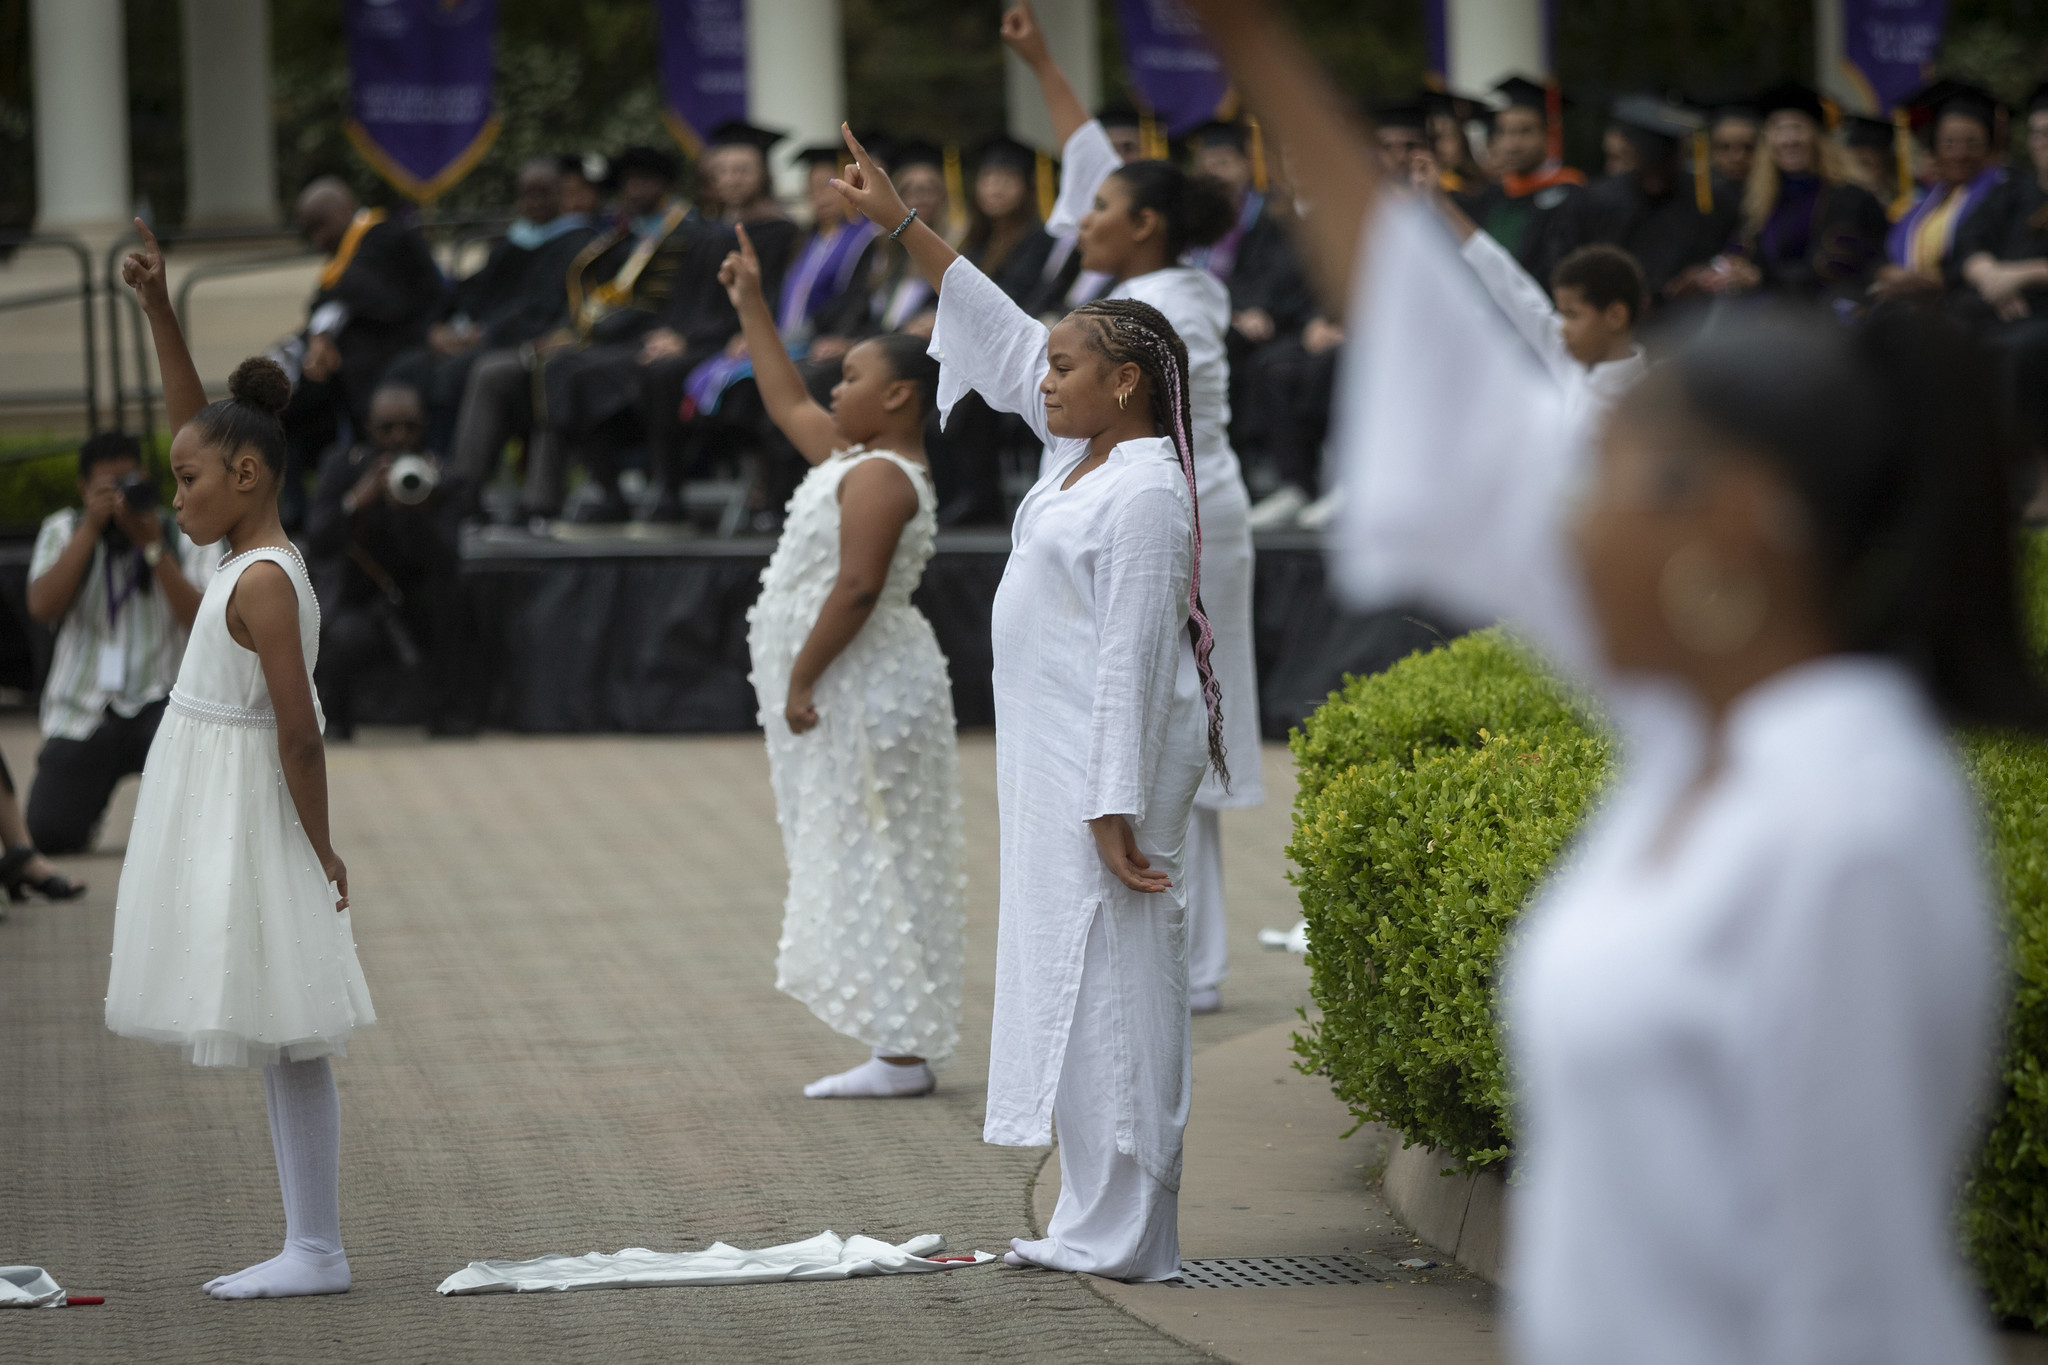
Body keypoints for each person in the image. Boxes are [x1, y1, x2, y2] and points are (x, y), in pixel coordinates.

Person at [1193, 5, 2038, 1361]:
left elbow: (1845, 1286)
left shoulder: (1852, 820)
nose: (1570, 521)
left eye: (1616, 483)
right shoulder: (1700, 729)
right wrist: (1258, 47)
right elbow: (1456, 387)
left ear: (1743, 531)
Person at [832, 121, 1225, 1281]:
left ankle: (1129, 1230)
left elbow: (1135, 660)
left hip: (1109, 763)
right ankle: (1086, 1220)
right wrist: (903, 227)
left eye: (1066, 368)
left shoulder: (1147, 490)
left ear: (1127, 382)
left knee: (1120, 988)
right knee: (1071, 978)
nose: (1040, 381)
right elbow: (1002, 336)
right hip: (1055, 756)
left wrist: (1111, 804)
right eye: (1048, 367)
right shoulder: (1079, 456)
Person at [106, 220, 373, 1299]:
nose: (176, 495)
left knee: (290, 1025)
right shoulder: (234, 544)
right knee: (274, 1023)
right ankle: (309, 1242)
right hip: (221, 798)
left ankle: (317, 1247)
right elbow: (196, 423)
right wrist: (157, 307)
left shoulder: (262, 577)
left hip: (256, 809)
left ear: (248, 475)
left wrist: (320, 850)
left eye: (188, 481)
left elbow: (300, 732)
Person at [1007, 0, 1263, 1015]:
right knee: (1150, 717)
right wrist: (1040, 64)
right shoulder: (1126, 279)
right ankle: (1182, 944)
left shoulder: (1174, 304)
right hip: (1136, 510)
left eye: (1102, 207)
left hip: (1186, 517)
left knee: (1180, 714)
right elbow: (1081, 163)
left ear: (1144, 224)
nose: (1080, 219)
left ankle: (1194, 959)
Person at [717, 224, 967, 1098]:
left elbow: (858, 587)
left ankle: (901, 1050)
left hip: (861, 683)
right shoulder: (856, 456)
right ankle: (894, 1039)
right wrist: (751, 302)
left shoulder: (883, 478)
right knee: (861, 845)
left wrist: (801, 675)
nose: (836, 385)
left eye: (854, 377)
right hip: (851, 680)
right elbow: (787, 404)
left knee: (876, 850)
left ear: (899, 396)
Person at [25, 428, 213, 855]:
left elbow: (202, 623)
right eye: (107, 490)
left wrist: (152, 546)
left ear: (145, 479)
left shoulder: (178, 531)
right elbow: (42, 606)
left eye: (129, 485)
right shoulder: (62, 529)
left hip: (162, 705)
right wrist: (90, 529)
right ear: (83, 489)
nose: (120, 500)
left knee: (196, 828)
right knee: (51, 834)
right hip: (84, 709)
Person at [530, 145, 739, 522]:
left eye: (643, 181)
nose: (633, 190)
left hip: (692, 341)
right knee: (564, 370)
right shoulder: (627, 236)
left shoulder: (698, 235)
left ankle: (667, 493)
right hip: (649, 339)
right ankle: (608, 493)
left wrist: (683, 338)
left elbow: (713, 305)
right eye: (628, 182)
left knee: (655, 374)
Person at [304, 381, 467, 740]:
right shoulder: (343, 466)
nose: (400, 437)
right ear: (369, 429)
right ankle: (336, 719)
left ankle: (449, 717)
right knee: (337, 634)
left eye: (410, 427)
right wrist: (354, 503)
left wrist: (420, 512)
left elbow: (448, 557)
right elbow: (318, 539)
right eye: (388, 428)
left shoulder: (443, 475)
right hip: (360, 601)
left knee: (455, 609)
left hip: (419, 602)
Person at [283, 177, 446, 529]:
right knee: (283, 411)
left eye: (320, 226)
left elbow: (381, 299)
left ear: (344, 211)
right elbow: (327, 300)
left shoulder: (386, 236)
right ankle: (292, 515)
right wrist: (320, 339)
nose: (317, 239)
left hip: (397, 353)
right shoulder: (344, 258)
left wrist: (324, 335)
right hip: (348, 370)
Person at [406, 158, 596, 459]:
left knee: (452, 376)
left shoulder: (580, 244)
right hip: (476, 338)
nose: (534, 202)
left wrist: (484, 334)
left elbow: (545, 307)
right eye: (526, 194)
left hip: (519, 342)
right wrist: (441, 328)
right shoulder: (512, 243)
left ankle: (449, 473)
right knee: (410, 366)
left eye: (543, 193)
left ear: (562, 194)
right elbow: (472, 291)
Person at [1699, 83, 1888, 302]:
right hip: (1772, 318)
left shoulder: (1851, 198)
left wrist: (1762, 279)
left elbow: (1837, 270)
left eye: (1798, 127)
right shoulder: (1761, 199)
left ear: (1817, 137)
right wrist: (1724, 271)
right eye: (1778, 129)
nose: (1789, 140)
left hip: (1829, 319)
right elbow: (1742, 250)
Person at [1565, 95, 1738, 303]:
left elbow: (1731, 257)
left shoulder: (1710, 199)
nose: (1655, 180)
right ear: (1632, 155)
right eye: (1647, 166)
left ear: (1678, 157)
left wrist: (1708, 274)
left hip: (1691, 317)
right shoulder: (1598, 200)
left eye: (1664, 168)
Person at [1877, 81, 2008, 301]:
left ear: (1989, 147)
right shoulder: (1924, 201)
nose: (1960, 154)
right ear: (1935, 148)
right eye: (1949, 143)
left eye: (1972, 144)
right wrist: (1887, 272)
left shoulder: (2002, 194)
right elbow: (1887, 255)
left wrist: (1935, 282)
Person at [1462, 76, 1586, 281]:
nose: (1512, 144)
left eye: (1525, 131)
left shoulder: (1571, 195)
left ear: (1548, 134)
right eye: (1504, 132)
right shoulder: (1491, 195)